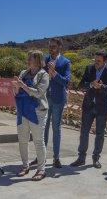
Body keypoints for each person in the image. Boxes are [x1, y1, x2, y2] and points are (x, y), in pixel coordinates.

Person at [70, 49, 107, 169]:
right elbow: (81, 84)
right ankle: (81, 158)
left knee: (100, 134)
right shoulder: (89, 68)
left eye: (99, 61)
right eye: (95, 60)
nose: (96, 62)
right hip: (88, 105)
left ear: (105, 61)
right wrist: (90, 84)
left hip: (102, 107)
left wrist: (101, 86)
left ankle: (96, 158)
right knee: (84, 132)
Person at [13, 50, 50, 181]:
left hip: (37, 112)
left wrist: (22, 85)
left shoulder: (44, 75)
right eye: (28, 57)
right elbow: (16, 92)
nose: (28, 60)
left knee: (38, 141)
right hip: (23, 110)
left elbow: (39, 93)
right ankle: (25, 166)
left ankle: (41, 170)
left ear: (38, 60)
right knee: (22, 140)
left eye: (31, 58)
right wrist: (16, 87)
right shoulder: (23, 73)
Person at [38, 38, 71, 168]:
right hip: (45, 98)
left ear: (59, 47)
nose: (51, 48)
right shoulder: (44, 60)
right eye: (50, 46)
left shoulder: (65, 62)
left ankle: (56, 158)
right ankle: (41, 157)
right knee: (43, 127)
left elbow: (66, 82)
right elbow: (38, 77)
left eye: (53, 46)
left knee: (56, 129)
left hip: (58, 100)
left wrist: (54, 73)